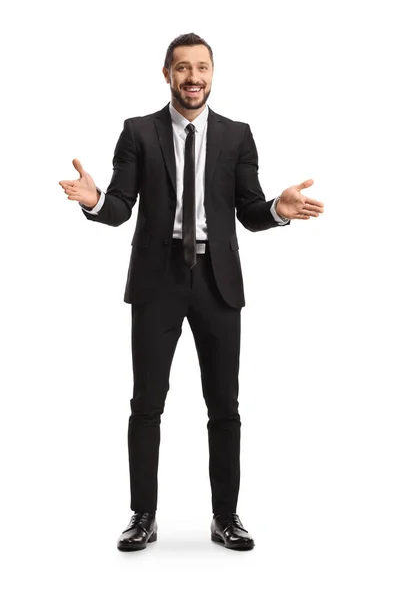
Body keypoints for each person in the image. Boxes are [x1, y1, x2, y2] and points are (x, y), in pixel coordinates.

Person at [59, 32, 324, 552]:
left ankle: (226, 517)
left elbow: (249, 212)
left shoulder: (237, 136)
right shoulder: (138, 132)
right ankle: (143, 515)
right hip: (156, 280)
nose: (193, 77)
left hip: (217, 283)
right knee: (146, 405)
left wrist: (276, 209)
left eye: (202, 67)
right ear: (166, 75)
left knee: (224, 404)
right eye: (182, 68)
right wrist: (93, 201)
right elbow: (118, 207)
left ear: (212, 73)